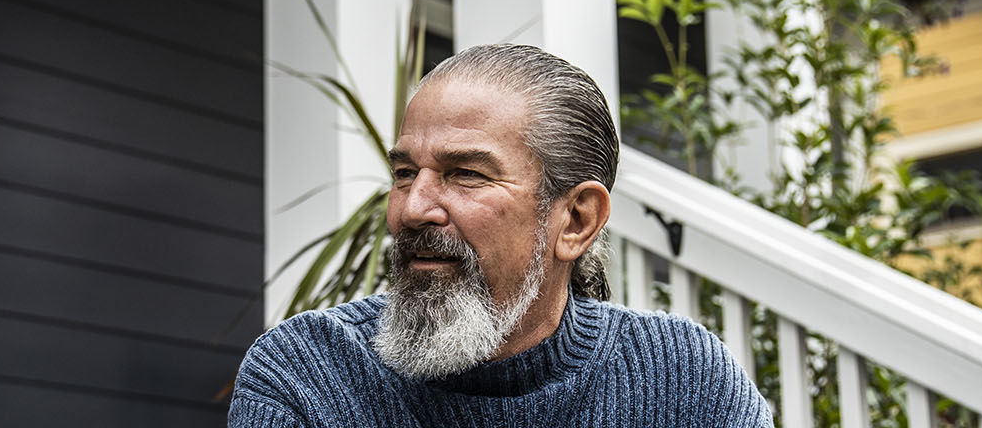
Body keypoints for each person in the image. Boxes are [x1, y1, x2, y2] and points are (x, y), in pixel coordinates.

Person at [229, 44, 770, 427]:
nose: (412, 209)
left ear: (576, 221)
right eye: (403, 173)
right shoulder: (306, 374)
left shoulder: (682, 381)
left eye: (466, 174)